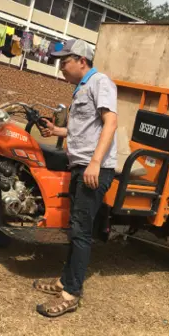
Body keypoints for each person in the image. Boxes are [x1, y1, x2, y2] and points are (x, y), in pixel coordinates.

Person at [33, 39, 118, 317]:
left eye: (64, 61)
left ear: (82, 61)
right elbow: (81, 129)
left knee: (81, 232)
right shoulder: (81, 88)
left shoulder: (100, 82)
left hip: (93, 170)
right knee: (75, 228)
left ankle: (72, 294)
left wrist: (95, 163)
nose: (60, 68)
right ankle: (64, 281)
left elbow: (111, 122)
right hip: (79, 166)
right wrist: (56, 131)